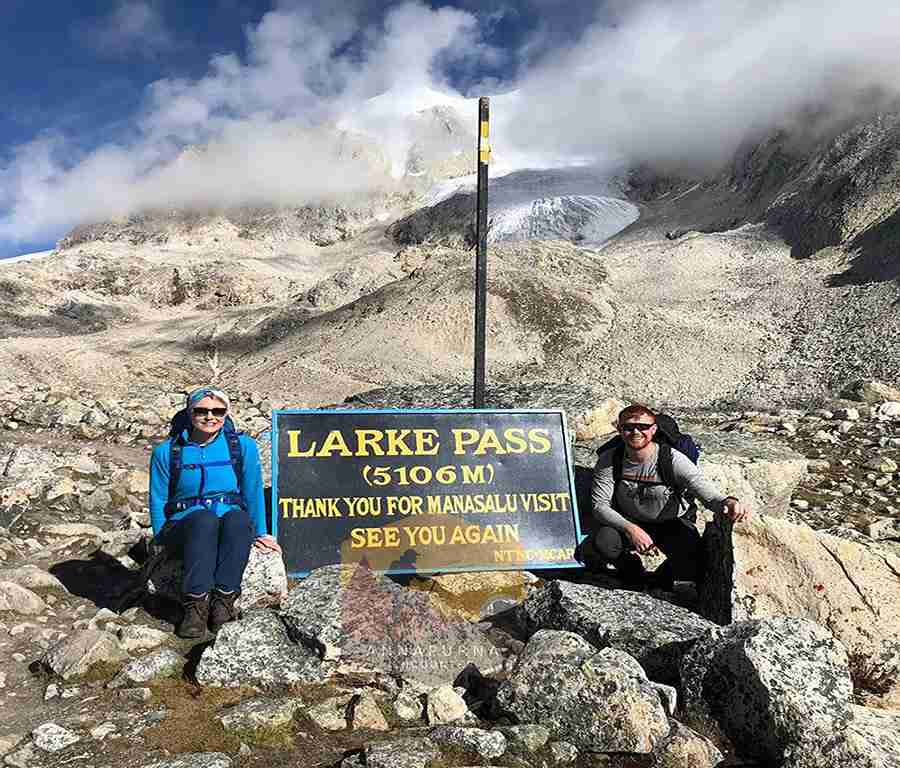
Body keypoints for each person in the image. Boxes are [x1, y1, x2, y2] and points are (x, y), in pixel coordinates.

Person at [149, 386, 280, 639]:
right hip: (184, 523)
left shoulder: (243, 447)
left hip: (228, 517)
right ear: (190, 413)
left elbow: (252, 491)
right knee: (204, 520)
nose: (210, 417)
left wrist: (263, 533)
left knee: (240, 521)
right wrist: (159, 539)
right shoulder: (167, 452)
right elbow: (158, 498)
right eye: (202, 411)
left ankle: (223, 602)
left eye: (218, 411)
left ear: (226, 413)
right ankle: (195, 607)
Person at [589, 404, 749, 590]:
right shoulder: (610, 460)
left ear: (653, 429)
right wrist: (631, 529)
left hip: (671, 522)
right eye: (628, 427)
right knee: (605, 542)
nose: (636, 432)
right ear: (619, 429)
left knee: (694, 560)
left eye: (643, 427)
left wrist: (727, 502)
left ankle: (659, 580)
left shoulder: (672, 459)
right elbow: (599, 506)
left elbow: (705, 492)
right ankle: (633, 574)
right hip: (630, 521)